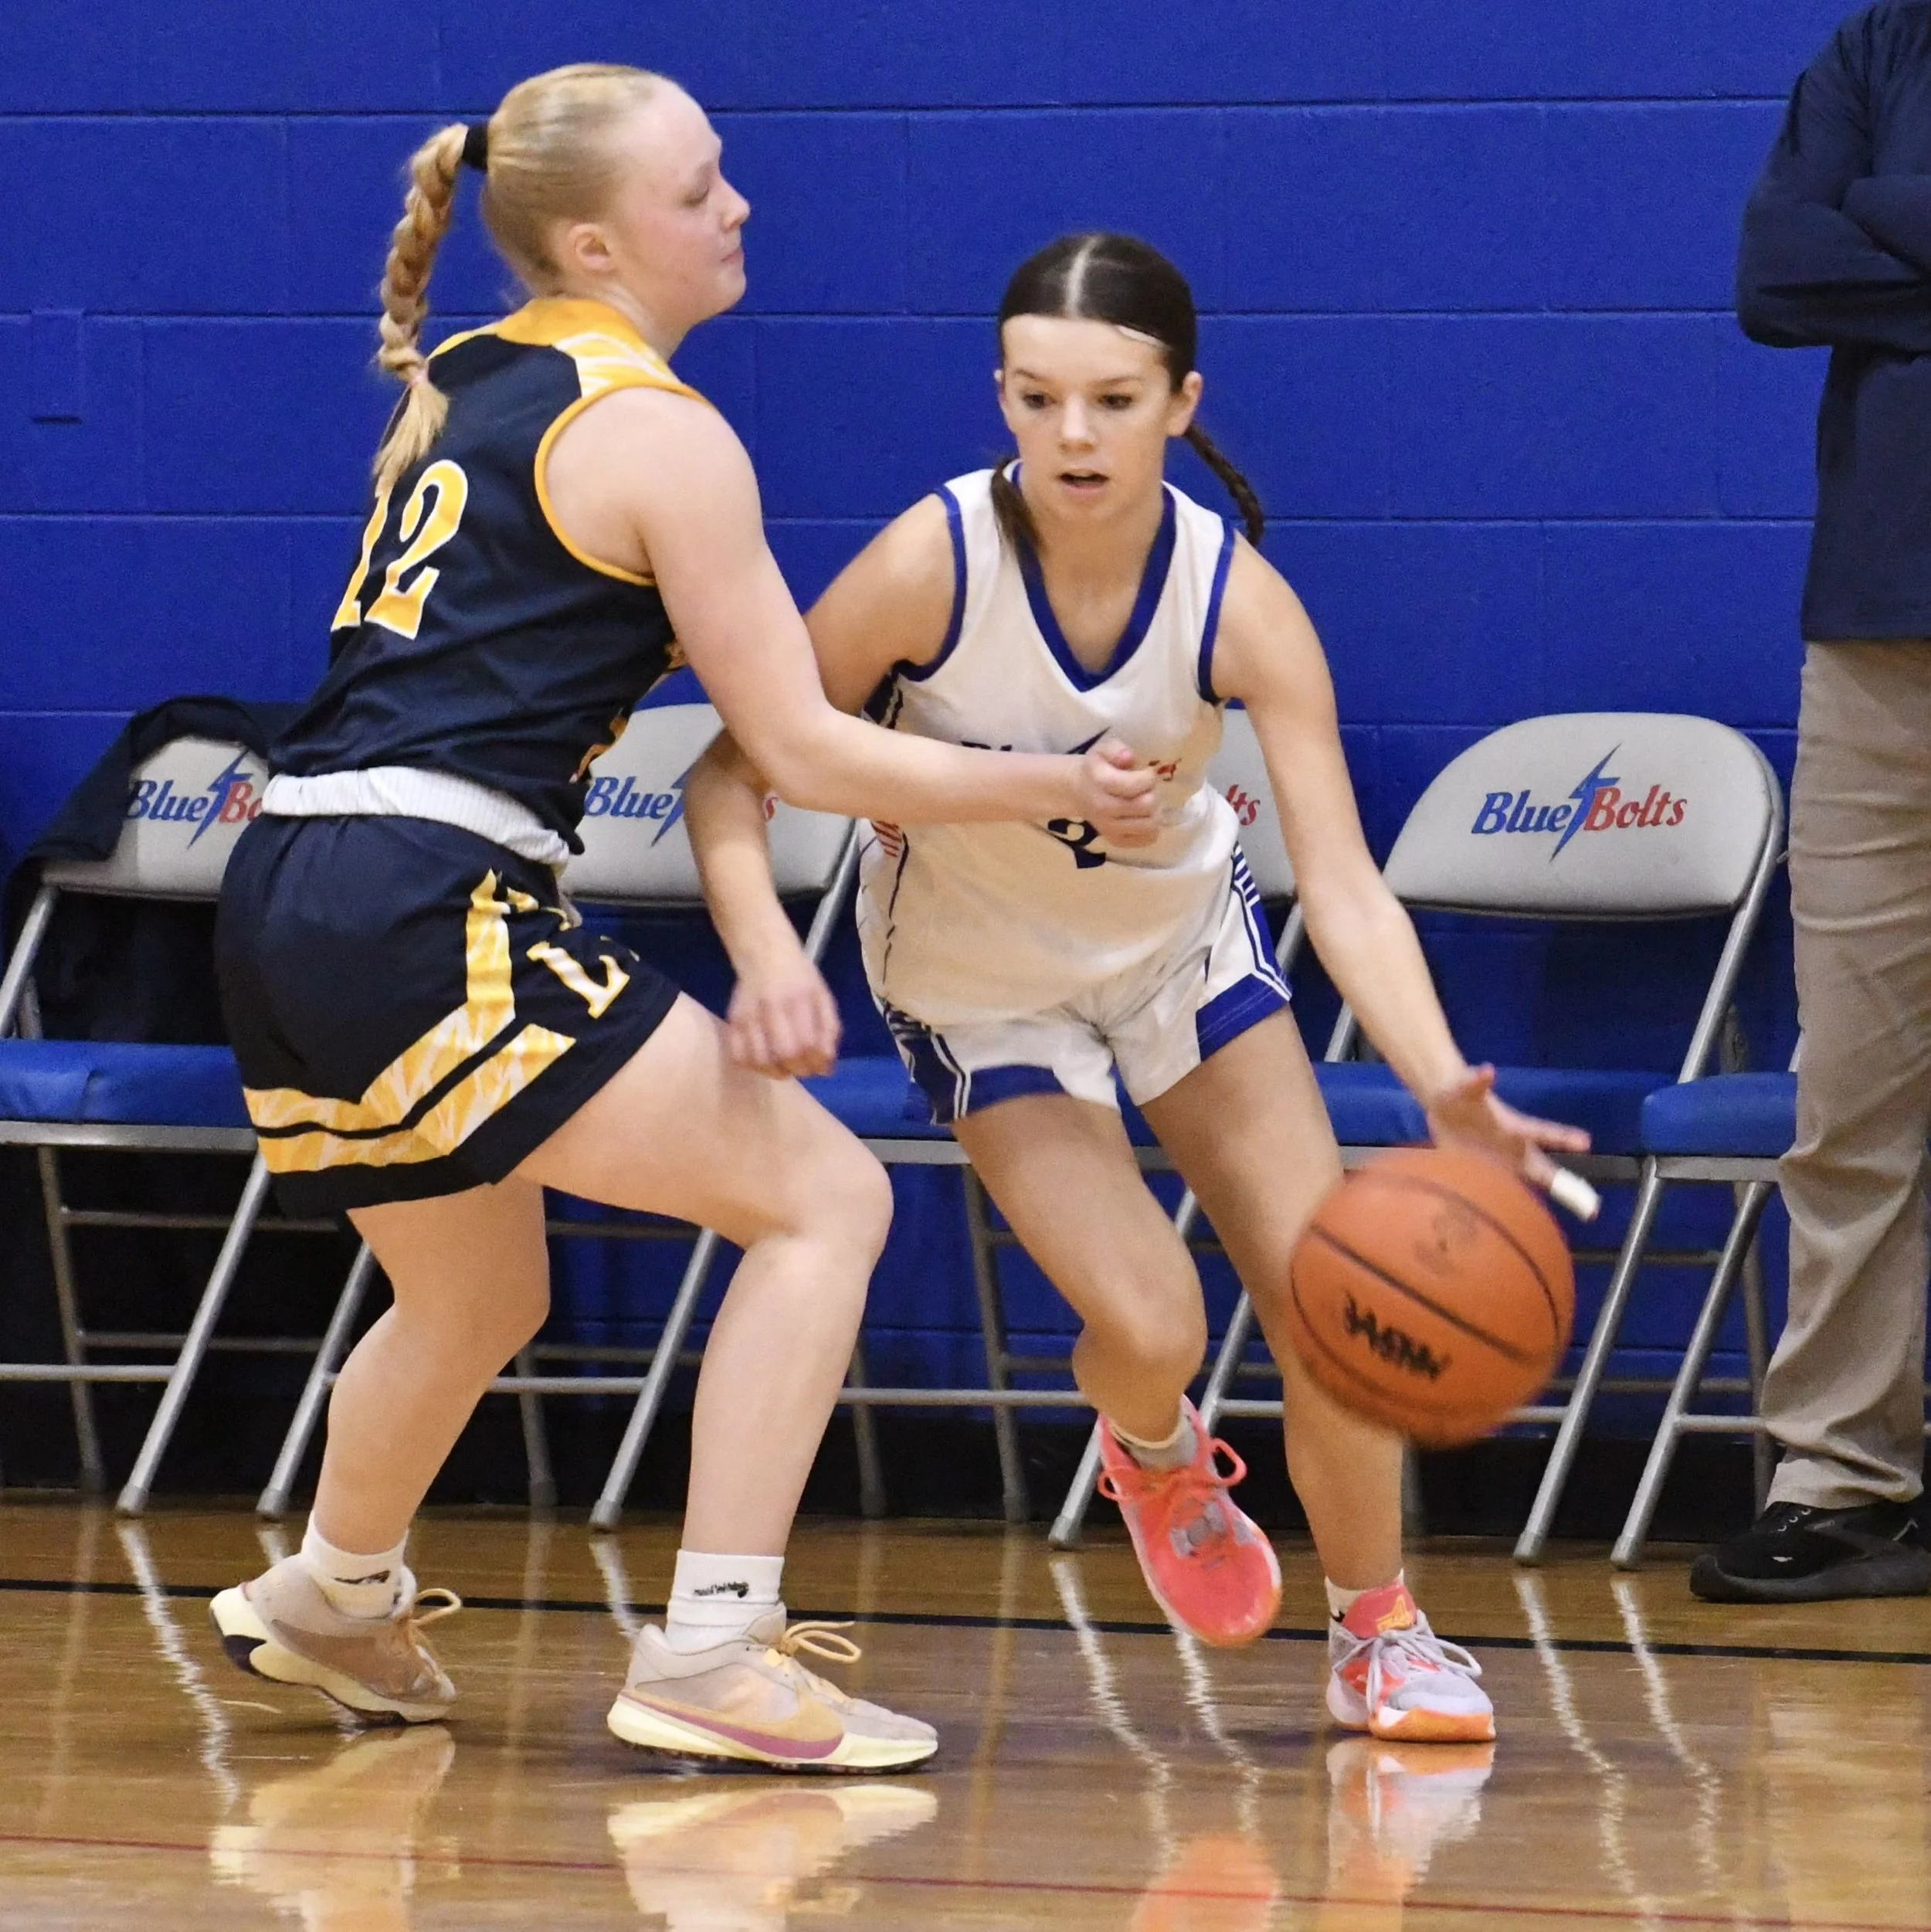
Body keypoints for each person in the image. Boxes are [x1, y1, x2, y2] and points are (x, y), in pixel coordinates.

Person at [206, 64, 1160, 1771]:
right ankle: (714, 1650)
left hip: (289, 883)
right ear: (594, 241)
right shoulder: (661, 432)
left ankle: (338, 1590)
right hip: (424, 890)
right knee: (826, 1197)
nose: (738, 207)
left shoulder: (471, 371)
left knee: (471, 1291)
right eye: (700, 187)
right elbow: (795, 746)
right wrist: (1051, 780)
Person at [684, 230, 1588, 1744]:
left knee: (1335, 1301)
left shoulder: (1238, 601)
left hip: (1179, 955)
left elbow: (1343, 884)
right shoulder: (931, 562)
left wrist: (1438, 1080)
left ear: (1180, 403)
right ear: (1000, 397)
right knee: (1154, 1324)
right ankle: (1152, 1442)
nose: (1073, 435)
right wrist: (771, 955)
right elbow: (730, 773)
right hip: (980, 987)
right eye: (1036, 398)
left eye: (1111, 400)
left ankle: (1378, 1632)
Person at [1694, 4, 1931, 1604]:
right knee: (1848, 1089)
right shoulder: (1874, 52)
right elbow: (1775, 273)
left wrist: (1884, 219)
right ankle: (1842, 1477)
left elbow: (1834, 245)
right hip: (1872, 639)